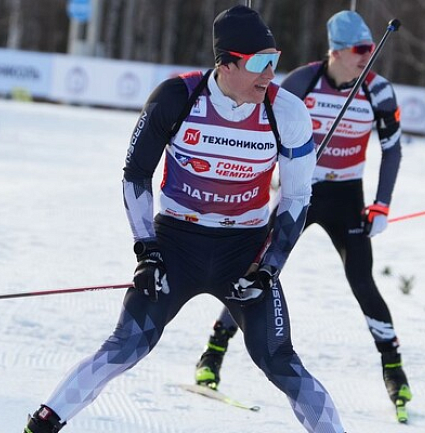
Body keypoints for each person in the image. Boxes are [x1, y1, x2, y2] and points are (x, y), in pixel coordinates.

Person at [23, 5, 347, 433]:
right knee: (125, 348)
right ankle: (41, 425)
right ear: (225, 63)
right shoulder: (177, 97)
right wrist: (147, 251)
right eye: (259, 63)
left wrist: (268, 268)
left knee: (280, 361)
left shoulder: (286, 113)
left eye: (276, 59)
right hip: (177, 245)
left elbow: (297, 196)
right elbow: (136, 175)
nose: (270, 74)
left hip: (243, 251)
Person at [194, 9, 411, 421]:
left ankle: (394, 371)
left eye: (370, 48)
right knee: (259, 268)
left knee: (362, 279)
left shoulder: (378, 91)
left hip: (347, 195)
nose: (368, 56)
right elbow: (261, 123)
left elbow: (393, 148)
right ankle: (213, 352)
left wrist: (382, 203)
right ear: (335, 52)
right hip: (302, 192)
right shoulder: (302, 82)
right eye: (358, 50)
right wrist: (272, 176)